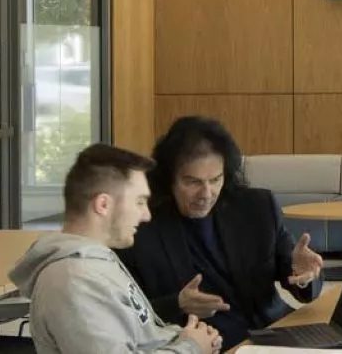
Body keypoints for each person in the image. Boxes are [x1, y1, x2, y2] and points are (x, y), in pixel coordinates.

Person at [121, 116, 324, 351]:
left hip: (276, 333)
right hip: (212, 344)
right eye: (192, 182)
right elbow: (126, 314)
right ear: (169, 180)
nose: (206, 194)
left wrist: (305, 274)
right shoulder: (140, 228)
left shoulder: (256, 207)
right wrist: (178, 304)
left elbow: (298, 282)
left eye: (215, 179)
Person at [9, 142, 224, 354]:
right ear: (103, 205)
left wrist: (186, 337)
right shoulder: (75, 282)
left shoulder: (96, 263)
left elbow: (142, 339)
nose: (146, 215)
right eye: (139, 202)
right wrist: (191, 348)